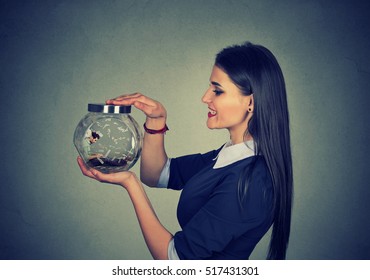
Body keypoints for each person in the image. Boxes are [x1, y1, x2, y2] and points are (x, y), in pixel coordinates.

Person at [77, 41, 293, 260]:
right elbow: (157, 174)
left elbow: (176, 260)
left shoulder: (251, 182)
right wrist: (156, 120)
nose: (205, 97)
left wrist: (130, 184)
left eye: (217, 91)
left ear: (251, 103)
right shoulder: (228, 155)